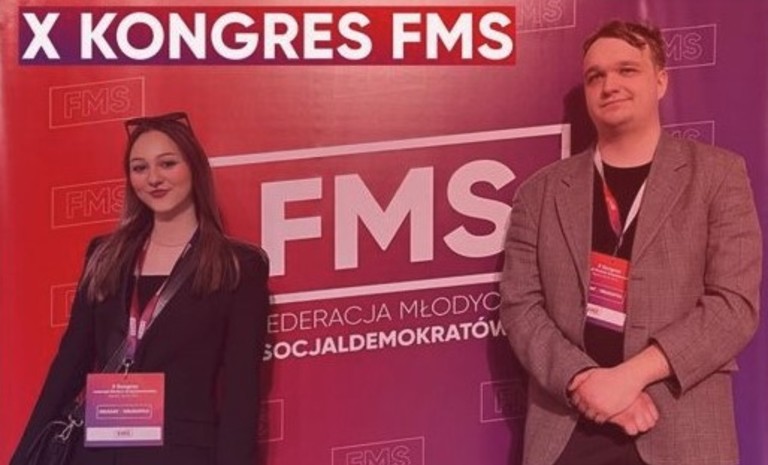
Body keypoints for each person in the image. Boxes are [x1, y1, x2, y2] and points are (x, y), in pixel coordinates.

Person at [500, 20, 762, 465]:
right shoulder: (539, 193)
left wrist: (629, 378)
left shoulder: (719, 176)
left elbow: (733, 306)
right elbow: (520, 307)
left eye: (627, 70)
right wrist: (583, 380)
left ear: (660, 81)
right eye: (595, 76)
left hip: (680, 428)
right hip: (568, 430)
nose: (609, 85)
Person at [11, 112, 270, 465]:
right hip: (97, 453)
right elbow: (68, 366)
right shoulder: (105, 255)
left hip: (181, 455)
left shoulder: (238, 265)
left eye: (167, 164)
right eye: (139, 168)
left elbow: (242, 391)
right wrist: (24, 457)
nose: (153, 178)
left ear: (194, 167)